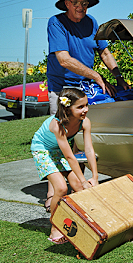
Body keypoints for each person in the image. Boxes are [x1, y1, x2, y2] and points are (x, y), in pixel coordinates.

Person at [47, 0, 130, 112]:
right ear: (67, 4)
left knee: (90, 126)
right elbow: (64, 60)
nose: (80, 7)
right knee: (63, 129)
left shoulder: (91, 22)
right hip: (62, 89)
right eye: (75, 3)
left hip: (86, 88)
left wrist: (119, 78)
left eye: (84, 3)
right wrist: (97, 76)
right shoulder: (56, 23)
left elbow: (105, 53)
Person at [31, 88, 99, 244]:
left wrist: (94, 177)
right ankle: (55, 226)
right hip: (42, 149)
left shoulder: (85, 122)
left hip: (57, 149)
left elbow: (89, 149)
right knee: (61, 188)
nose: (86, 110)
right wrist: (83, 180)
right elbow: (70, 156)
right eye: (80, 107)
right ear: (68, 108)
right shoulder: (57, 125)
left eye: (86, 105)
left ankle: (83, 221)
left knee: (79, 187)